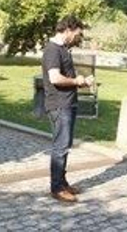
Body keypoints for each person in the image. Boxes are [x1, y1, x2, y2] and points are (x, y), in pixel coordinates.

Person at [38, 15, 91, 202]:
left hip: (68, 102)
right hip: (59, 104)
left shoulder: (64, 49)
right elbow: (55, 78)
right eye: (77, 33)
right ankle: (57, 187)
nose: (78, 37)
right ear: (68, 29)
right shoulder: (53, 50)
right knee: (60, 146)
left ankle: (62, 181)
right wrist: (76, 81)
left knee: (65, 145)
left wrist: (80, 83)